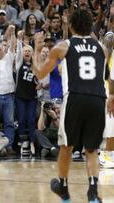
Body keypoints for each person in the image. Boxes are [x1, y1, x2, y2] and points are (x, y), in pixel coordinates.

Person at [32, 9, 110, 202]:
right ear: (90, 26)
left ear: (72, 26)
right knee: (92, 149)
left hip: (75, 97)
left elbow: (40, 75)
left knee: (66, 146)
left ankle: (64, 189)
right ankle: (92, 192)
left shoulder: (63, 46)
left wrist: (36, 48)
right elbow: (105, 77)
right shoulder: (102, 48)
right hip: (98, 99)